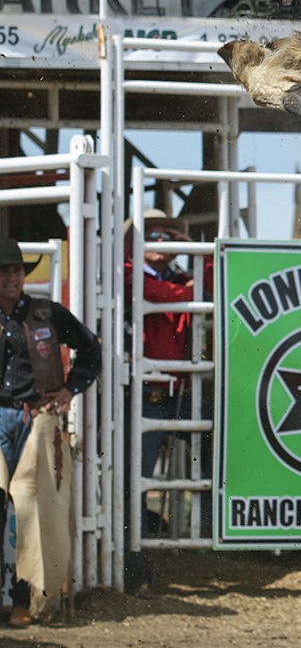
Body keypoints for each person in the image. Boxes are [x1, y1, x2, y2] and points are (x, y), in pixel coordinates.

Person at [0, 239, 101, 626]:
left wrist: (68, 389)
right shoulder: (42, 314)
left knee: (32, 512)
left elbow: (90, 350)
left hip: (35, 419)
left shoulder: (46, 313)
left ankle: (27, 602)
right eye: (4, 270)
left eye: (16, 270)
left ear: (23, 275)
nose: (11, 277)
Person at [121, 209, 207, 595]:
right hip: (148, 394)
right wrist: (193, 272)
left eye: (168, 236)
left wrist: (195, 251)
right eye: (154, 235)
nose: (162, 242)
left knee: (216, 459)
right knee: (136, 482)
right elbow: (181, 294)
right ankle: (137, 567)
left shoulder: (176, 277)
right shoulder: (128, 273)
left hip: (181, 392)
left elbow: (207, 283)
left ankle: (209, 539)